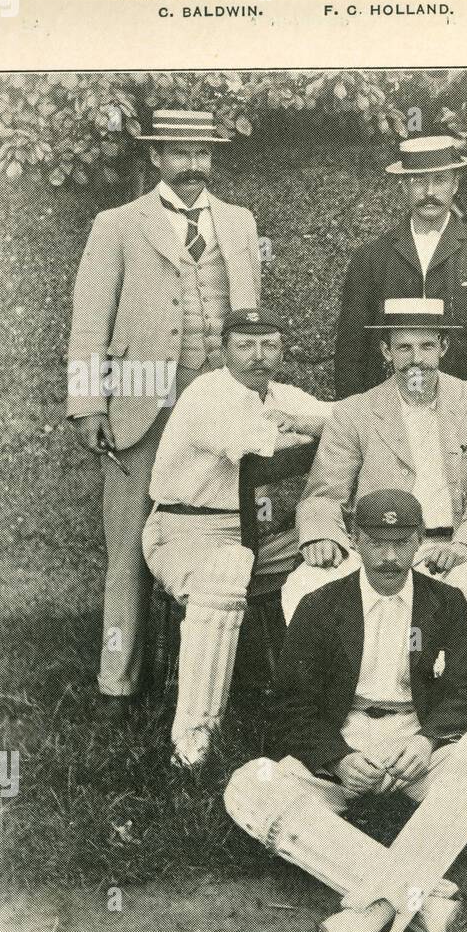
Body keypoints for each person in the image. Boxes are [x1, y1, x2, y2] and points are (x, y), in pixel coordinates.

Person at [226, 489, 467, 932]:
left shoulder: (447, 602)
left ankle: (372, 911)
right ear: (355, 539)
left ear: (421, 540)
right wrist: (337, 758)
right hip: (345, 739)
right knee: (248, 787)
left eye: (402, 543)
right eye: (376, 542)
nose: (388, 557)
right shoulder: (320, 606)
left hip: (415, 744)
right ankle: (422, 900)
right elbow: (290, 705)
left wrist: (429, 740)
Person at [65, 109, 262, 720]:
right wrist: (87, 404)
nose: (191, 166)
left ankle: (214, 680)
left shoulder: (238, 223)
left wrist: (253, 395)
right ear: (156, 158)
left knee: (220, 535)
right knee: (127, 547)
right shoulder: (117, 225)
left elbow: (251, 319)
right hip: (139, 404)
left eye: (201, 153)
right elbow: (89, 323)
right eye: (178, 152)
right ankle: (118, 685)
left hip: (216, 411)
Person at [141, 308, 330, 768]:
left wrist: (308, 423)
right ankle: (194, 742)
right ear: (224, 351)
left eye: (268, 345)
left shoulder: (281, 394)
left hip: (262, 532)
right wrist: (305, 427)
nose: (257, 357)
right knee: (221, 581)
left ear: (282, 352)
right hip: (189, 527)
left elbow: (350, 423)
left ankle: (331, 719)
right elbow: (254, 441)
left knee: (338, 561)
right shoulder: (206, 393)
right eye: (245, 345)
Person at [283, 299, 467, 640]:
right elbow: (324, 494)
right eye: (403, 347)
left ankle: (465, 688)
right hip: (375, 546)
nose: (416, 360)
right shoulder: (354, 412)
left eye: (427, 346)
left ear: (443, 347)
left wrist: (464, 546)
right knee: (306, 585)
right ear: (385, 351)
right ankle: (339, 689)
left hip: (448, 545)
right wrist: (322, 535)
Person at [331, 135, 467, 405]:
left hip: (464, 413)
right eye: (419, 181)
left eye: (440, 180)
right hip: (388, 414)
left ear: (456, 184)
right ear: (403, 187)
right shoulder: (371, 257)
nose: (429, 192)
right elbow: (351, 350)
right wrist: (360, 419)